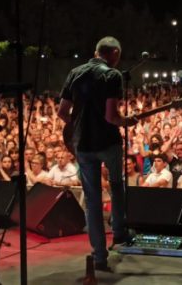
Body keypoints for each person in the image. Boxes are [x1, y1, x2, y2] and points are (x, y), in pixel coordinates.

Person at [57, 36, 139, 271]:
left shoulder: (74, 72)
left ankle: (100, 257)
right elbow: (111, 117)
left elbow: (62, 112)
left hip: (82, 145)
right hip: (108, 143)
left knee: (92, 202)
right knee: (116, 186)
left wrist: (78, 127)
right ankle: (120, 233)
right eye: (118, 55)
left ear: (96, 52)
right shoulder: (112, 76)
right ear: (113, 52)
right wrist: (127, 121)